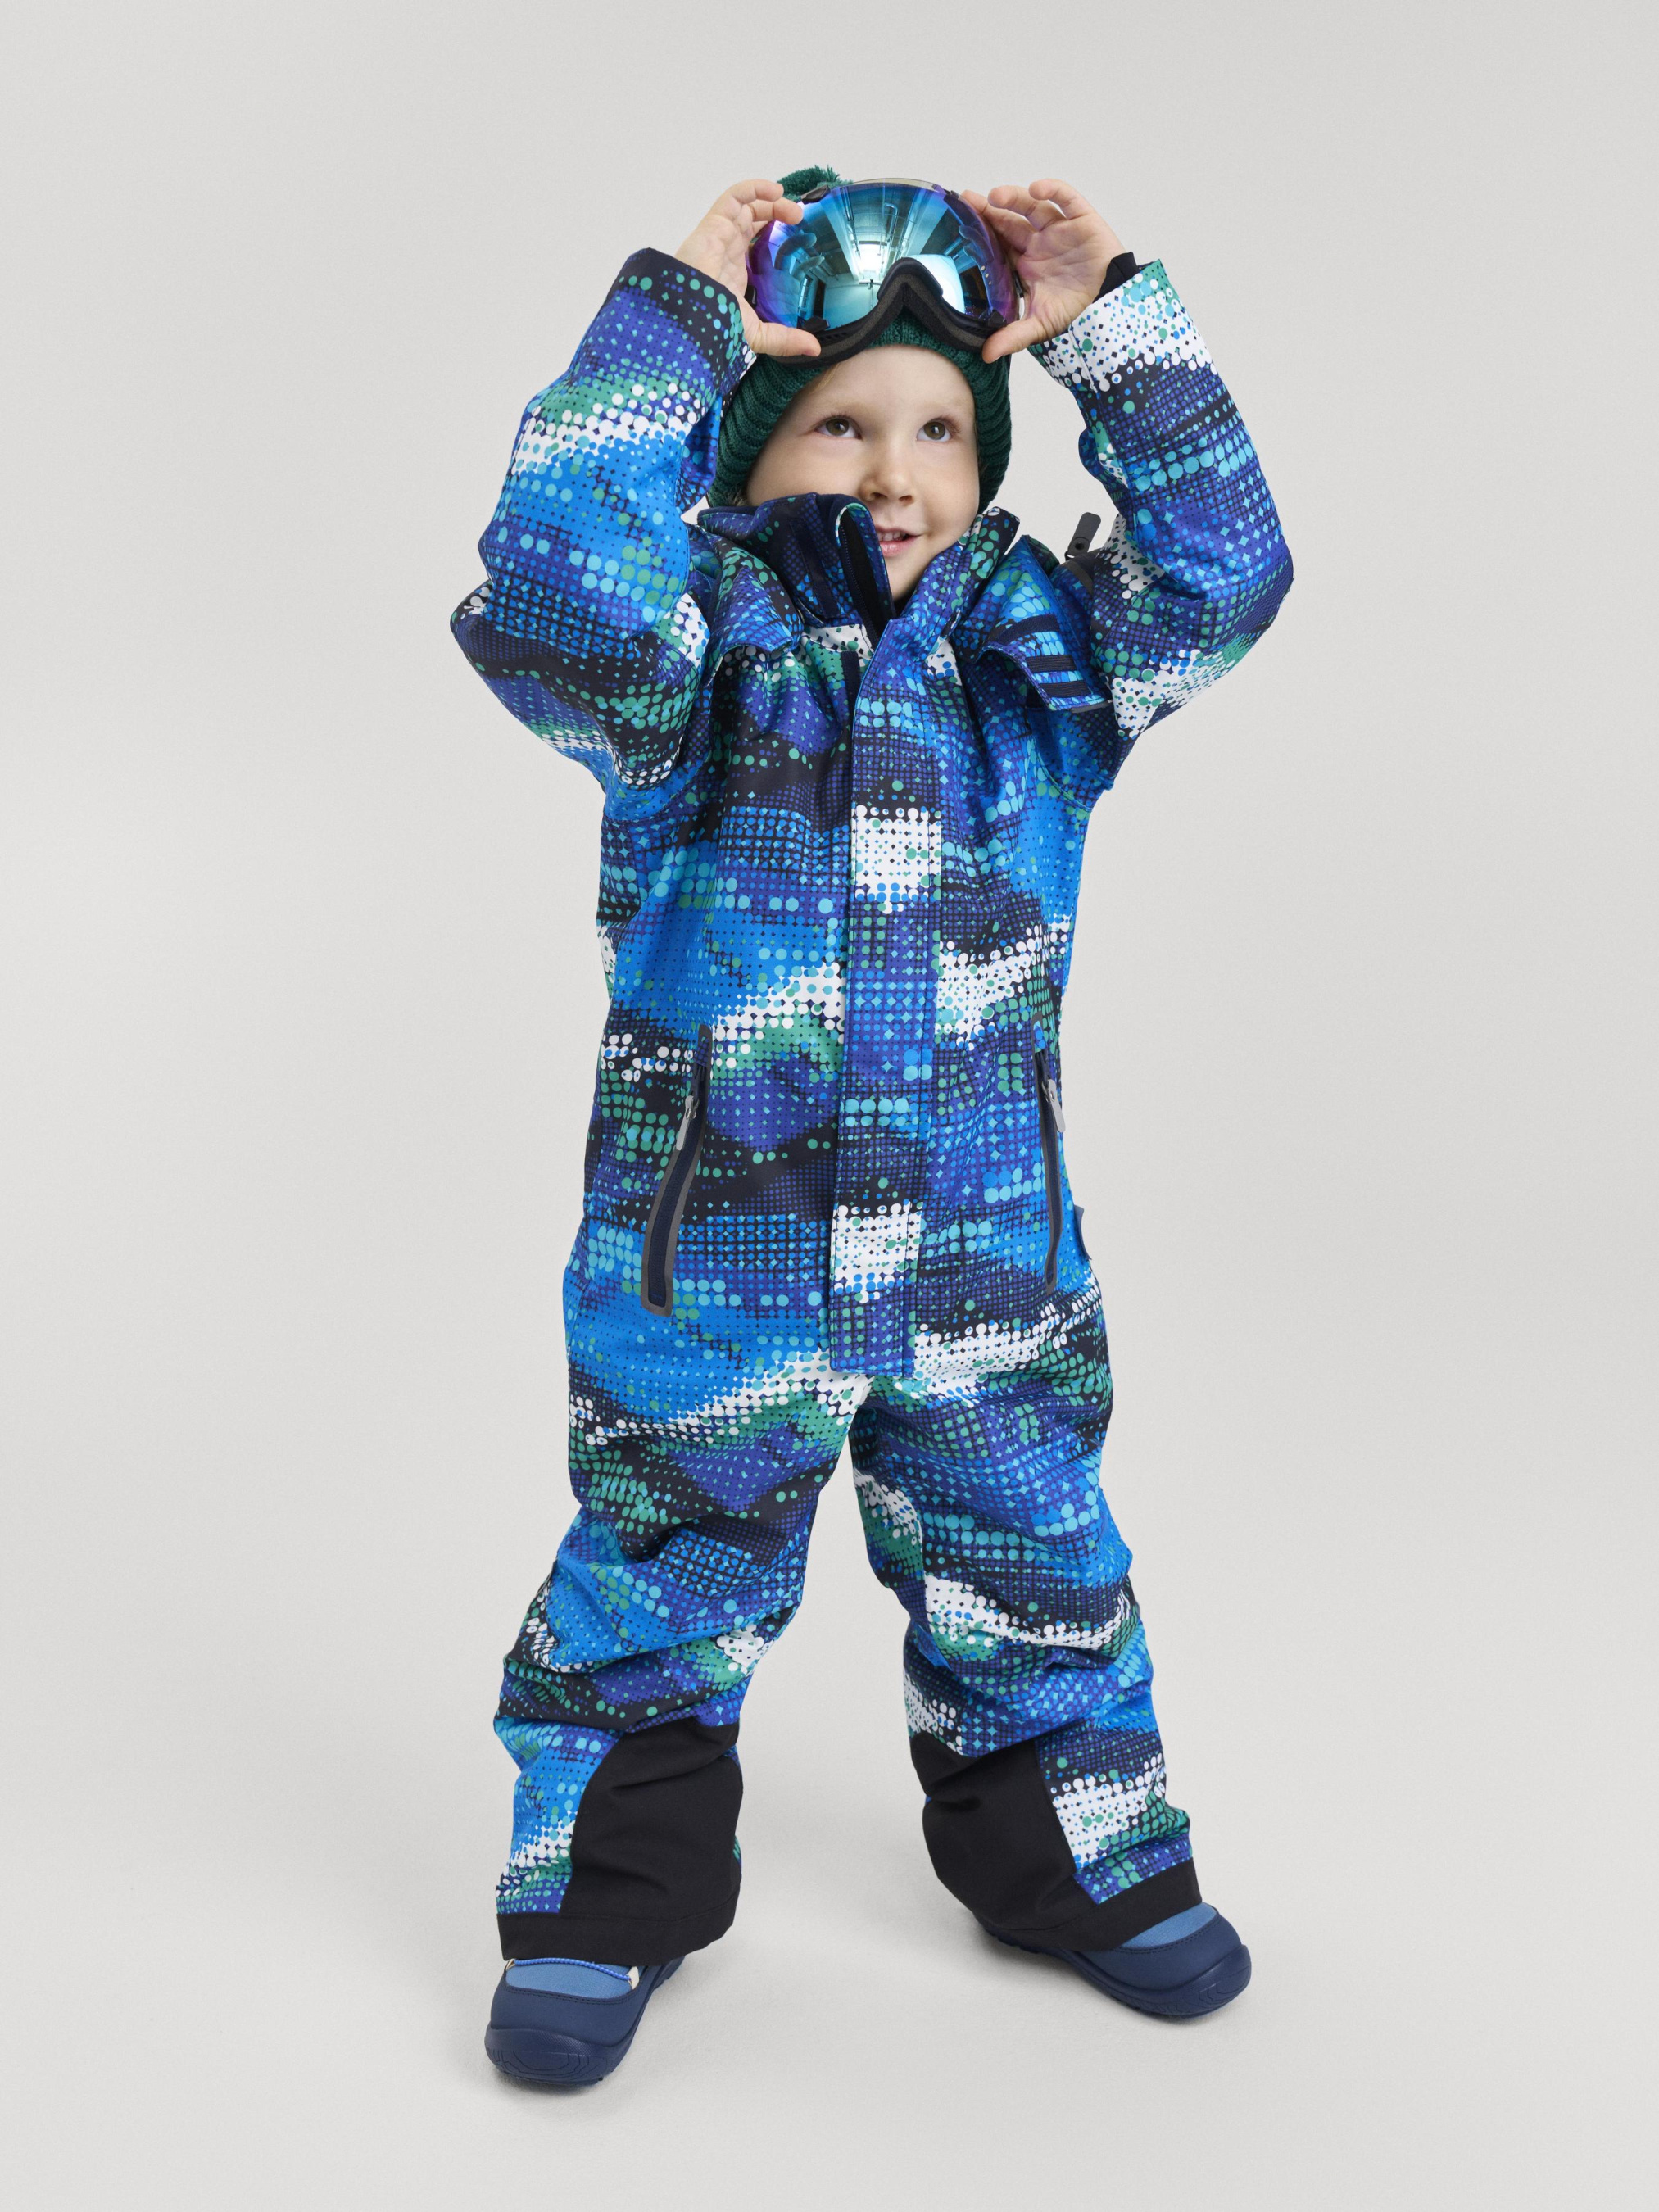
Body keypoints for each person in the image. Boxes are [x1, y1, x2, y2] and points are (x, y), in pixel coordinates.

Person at [451, 167, 1293, 2087]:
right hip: (707, 1275)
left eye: (937, 431)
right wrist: (673, 318)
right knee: (656, 1577)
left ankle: (1074, 1862)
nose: (896, 474)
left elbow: (1224, 572)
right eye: (839, 424)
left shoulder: (1042, 670)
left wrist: (1110, 327)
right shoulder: (684, 669)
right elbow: (552, 578)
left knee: (1033, 1566)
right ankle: (604, 1899)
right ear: (748, 450)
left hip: (984, 1268)